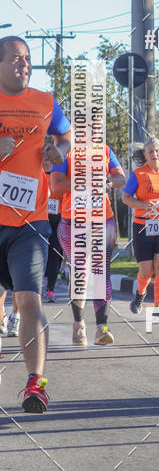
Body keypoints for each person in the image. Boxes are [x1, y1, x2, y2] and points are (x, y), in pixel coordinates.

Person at [0, 36, 70, 412]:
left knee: (29, 299)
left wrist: (58, 151)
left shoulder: (45, 102)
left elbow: (66, 135)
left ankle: (35, 384)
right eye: (15, 58)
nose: (23, 64)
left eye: (27, 59)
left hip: (32, 221)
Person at [51, 145, 125, 345]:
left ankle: (102, 328)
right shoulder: (66, 151)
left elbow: (121, 178)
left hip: (103, 219)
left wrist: (108, 182)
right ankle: (79, 324)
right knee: (81, 273)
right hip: (73, 221)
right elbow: (56, 187)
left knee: (101, 271)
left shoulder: (106, 151)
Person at [122, 137, 159, 317]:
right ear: (145, 155)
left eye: (157, 151)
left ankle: (158, 305)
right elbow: (126, 197)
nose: (154, 154)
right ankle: (140, 294)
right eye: (150, 152)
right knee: (146, 271)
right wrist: (142, 205)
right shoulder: (138, 174)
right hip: (143, 225)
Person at [43, 151, 64, 303]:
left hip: (58, 218)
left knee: (56, 253)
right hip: (39, 218)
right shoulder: (36, 173)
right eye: (43, 156)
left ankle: (51, 289)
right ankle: (40, 282)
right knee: (41, 253)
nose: (46, 158)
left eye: (48, 156)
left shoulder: (59, 175)